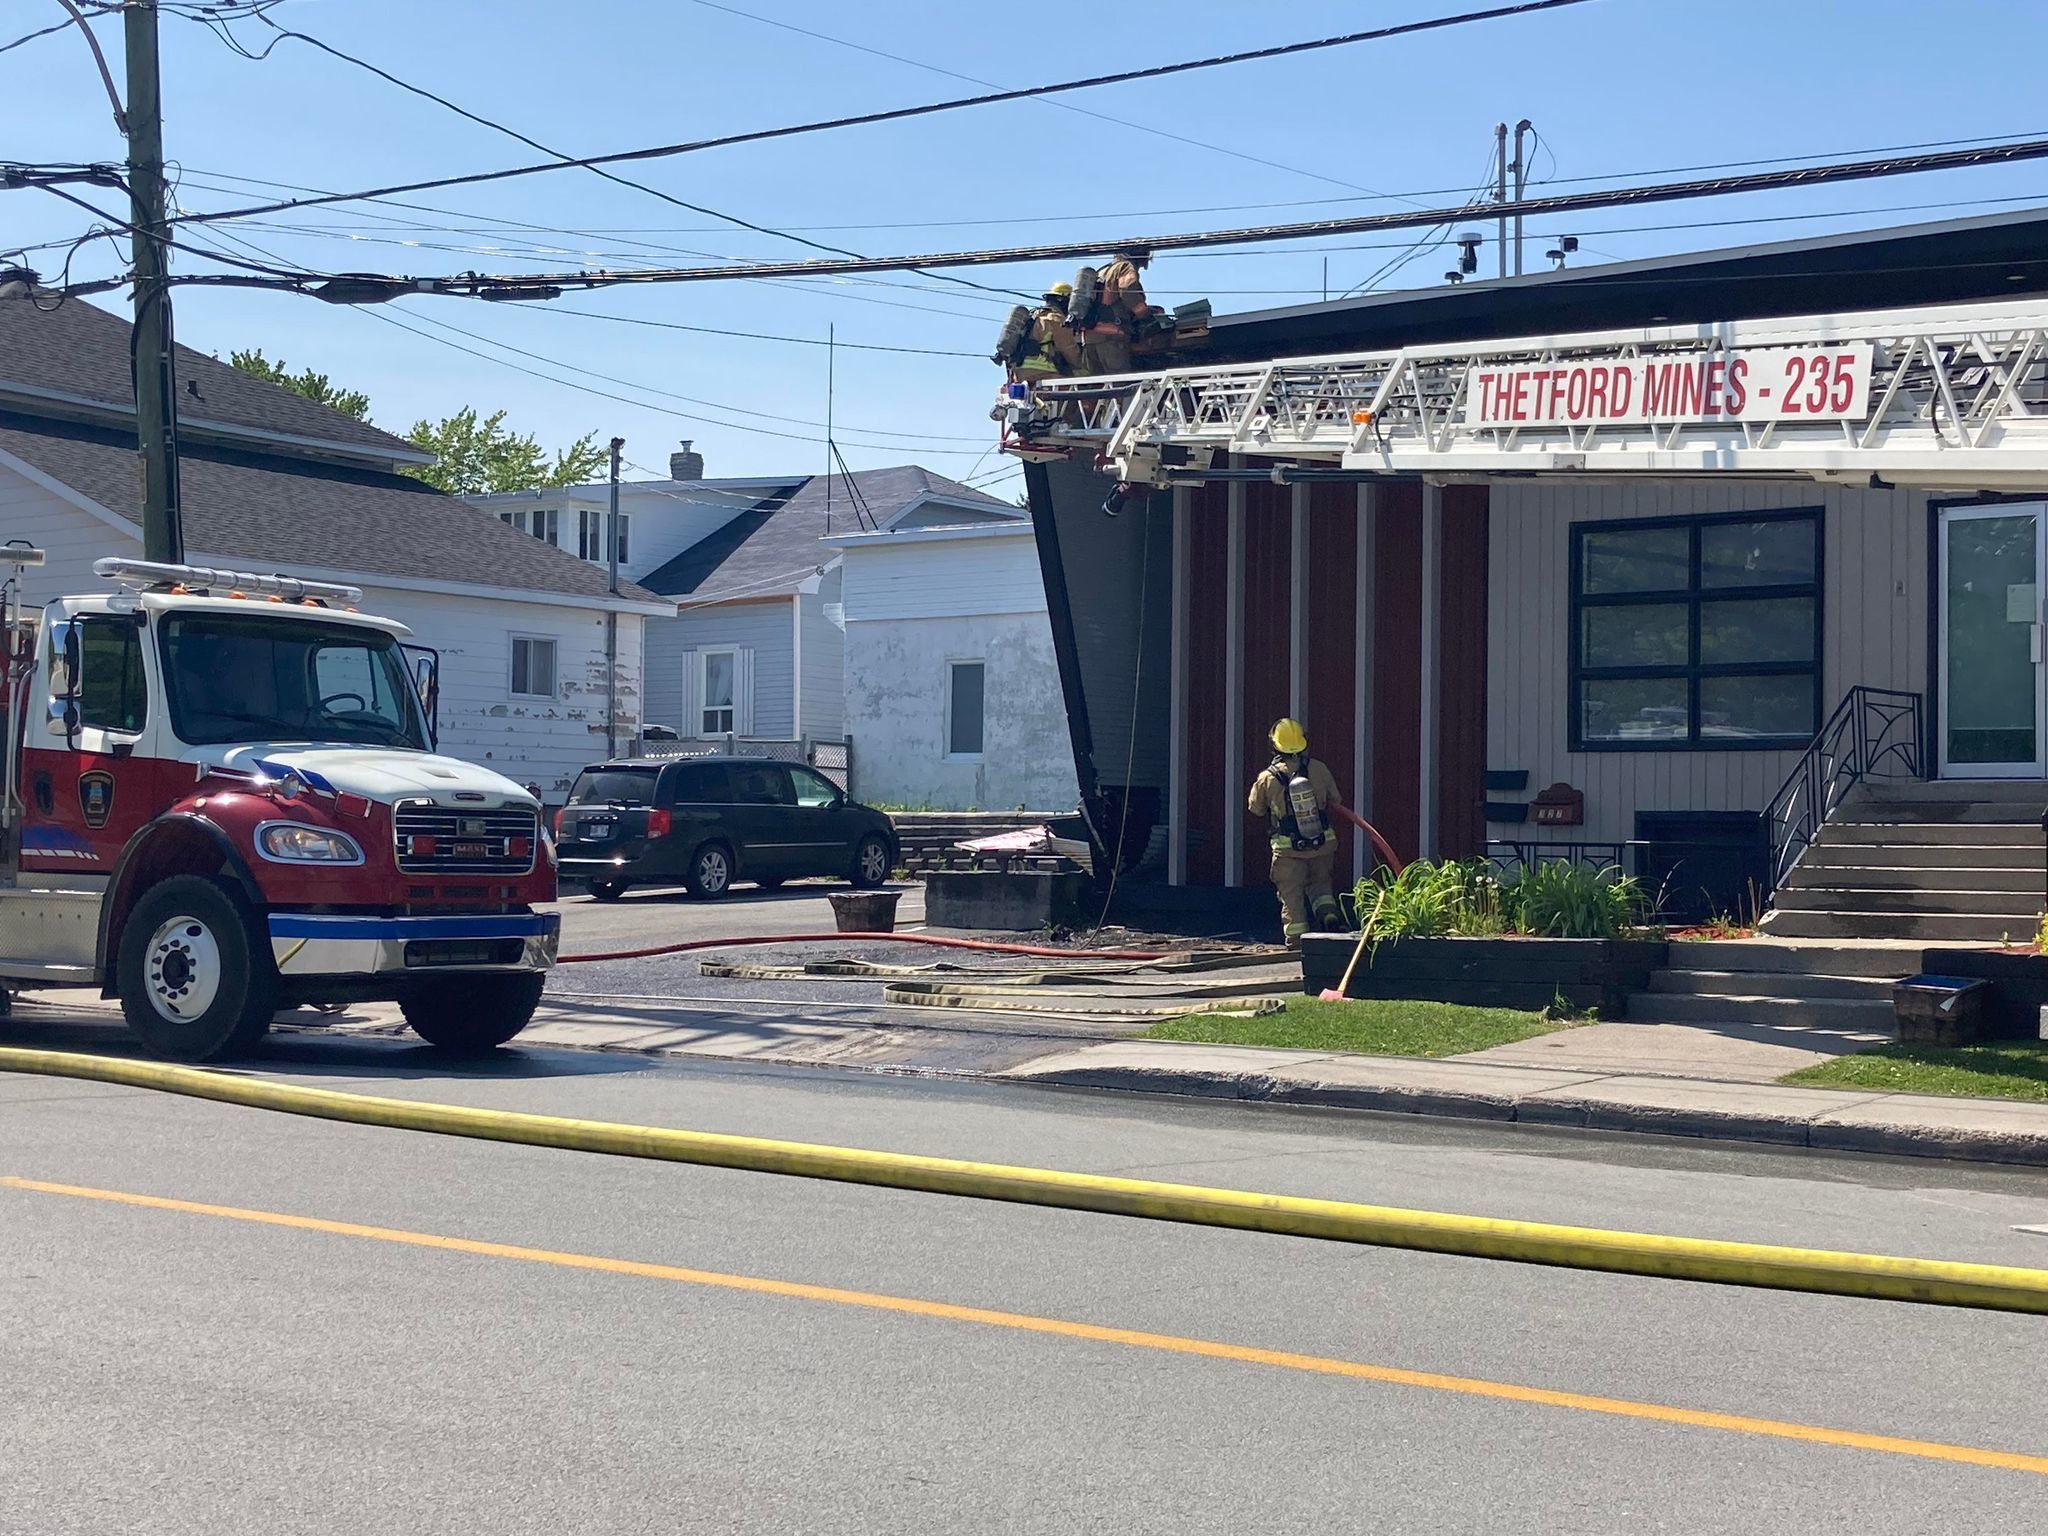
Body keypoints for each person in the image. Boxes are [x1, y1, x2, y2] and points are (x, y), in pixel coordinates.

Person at [1247, 717, 1344, 945]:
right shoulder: (1319, 768)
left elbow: (1256, 809)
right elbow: (1336, 799)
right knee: (1321, 885)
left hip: (1288, 849)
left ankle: (1296, 940)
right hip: (1322, 843)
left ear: (1274, 745)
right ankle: (1328, 916)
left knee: (1292, 895)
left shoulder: (1267, 778)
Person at [1080, 246, 1153, 375]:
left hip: (1089, 339)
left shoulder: (1102, 271)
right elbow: (1128, 292)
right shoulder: (1125, 267)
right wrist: (1145, 317)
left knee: (1098, 388)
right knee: (1120, 385)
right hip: (1111, 338)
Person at [1013, 282, 1085, 383]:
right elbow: (1068, 349)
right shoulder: (1056, 318)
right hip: (1042, 372)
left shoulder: (1033, 316)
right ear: (1064, 301)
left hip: (1018, 375)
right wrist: (1083, 366)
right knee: (1078, 385)